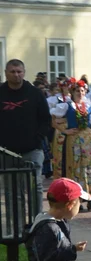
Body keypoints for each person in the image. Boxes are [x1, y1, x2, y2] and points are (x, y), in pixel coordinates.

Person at [0, 59, 51, 214]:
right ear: (6, 73)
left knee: (35, 187)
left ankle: (37, 223)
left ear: (24, 72)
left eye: (19, 71)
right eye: (12, 72)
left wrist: (39, 137)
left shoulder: (34, 93)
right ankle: (16, 225)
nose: (16, 75)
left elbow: (46, 119)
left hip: (32, 149)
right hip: (6, 151)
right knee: (12, 191)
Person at [49, 80, 91, 211]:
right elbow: (52, 120)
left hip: (87, 140)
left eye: (82, 91)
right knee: (75, 168)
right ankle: (76, 198)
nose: (80, 93)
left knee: (90, 166)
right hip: (73, 139)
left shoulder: (90, 105)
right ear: (72, 92)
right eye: (77, 91)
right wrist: (64, 130)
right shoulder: (67, 106)